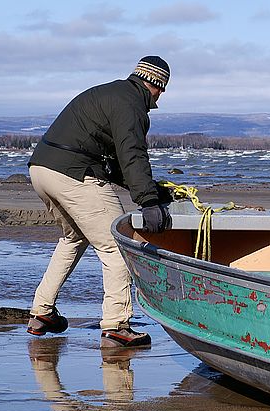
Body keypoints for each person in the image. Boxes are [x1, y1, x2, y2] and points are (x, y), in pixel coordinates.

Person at [26, 56, 173, 348]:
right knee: (117, 245)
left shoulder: (111, 93)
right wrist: (148, 202)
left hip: (41, 169)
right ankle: (117, 326)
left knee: (73, 239)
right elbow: (132, 155)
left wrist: (153, 190)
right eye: (162, 90)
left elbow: (117, 163)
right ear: (155, 85)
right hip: (74, 173)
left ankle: (42, 312)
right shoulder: (131, 106)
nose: (160, 97)